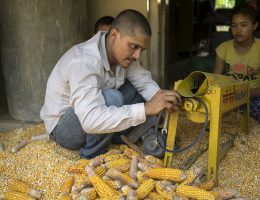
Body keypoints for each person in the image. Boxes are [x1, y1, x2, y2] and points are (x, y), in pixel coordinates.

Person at [40, 9, 181, 159]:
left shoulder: (124, 56)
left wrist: (164, 100)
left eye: (142, 50)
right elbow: (90, 120)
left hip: (92, 114)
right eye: (134, 47)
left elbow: (144, 83)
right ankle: (92, 156)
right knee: (113, 98)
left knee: (137, 90)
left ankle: (122, 135)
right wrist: (146, 109)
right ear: (114, 35)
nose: (137, 55)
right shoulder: (83, 61)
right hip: (64, 129)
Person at [213, 5, 260, 134]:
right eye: (234, 25)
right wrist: (228, 96)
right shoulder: (223, 49)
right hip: (230, 98)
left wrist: (246, 93)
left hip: (254, 98)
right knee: (210, 101)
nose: (238, 30)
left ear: (254, 25)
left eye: (244, 25)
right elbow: (214, 80)